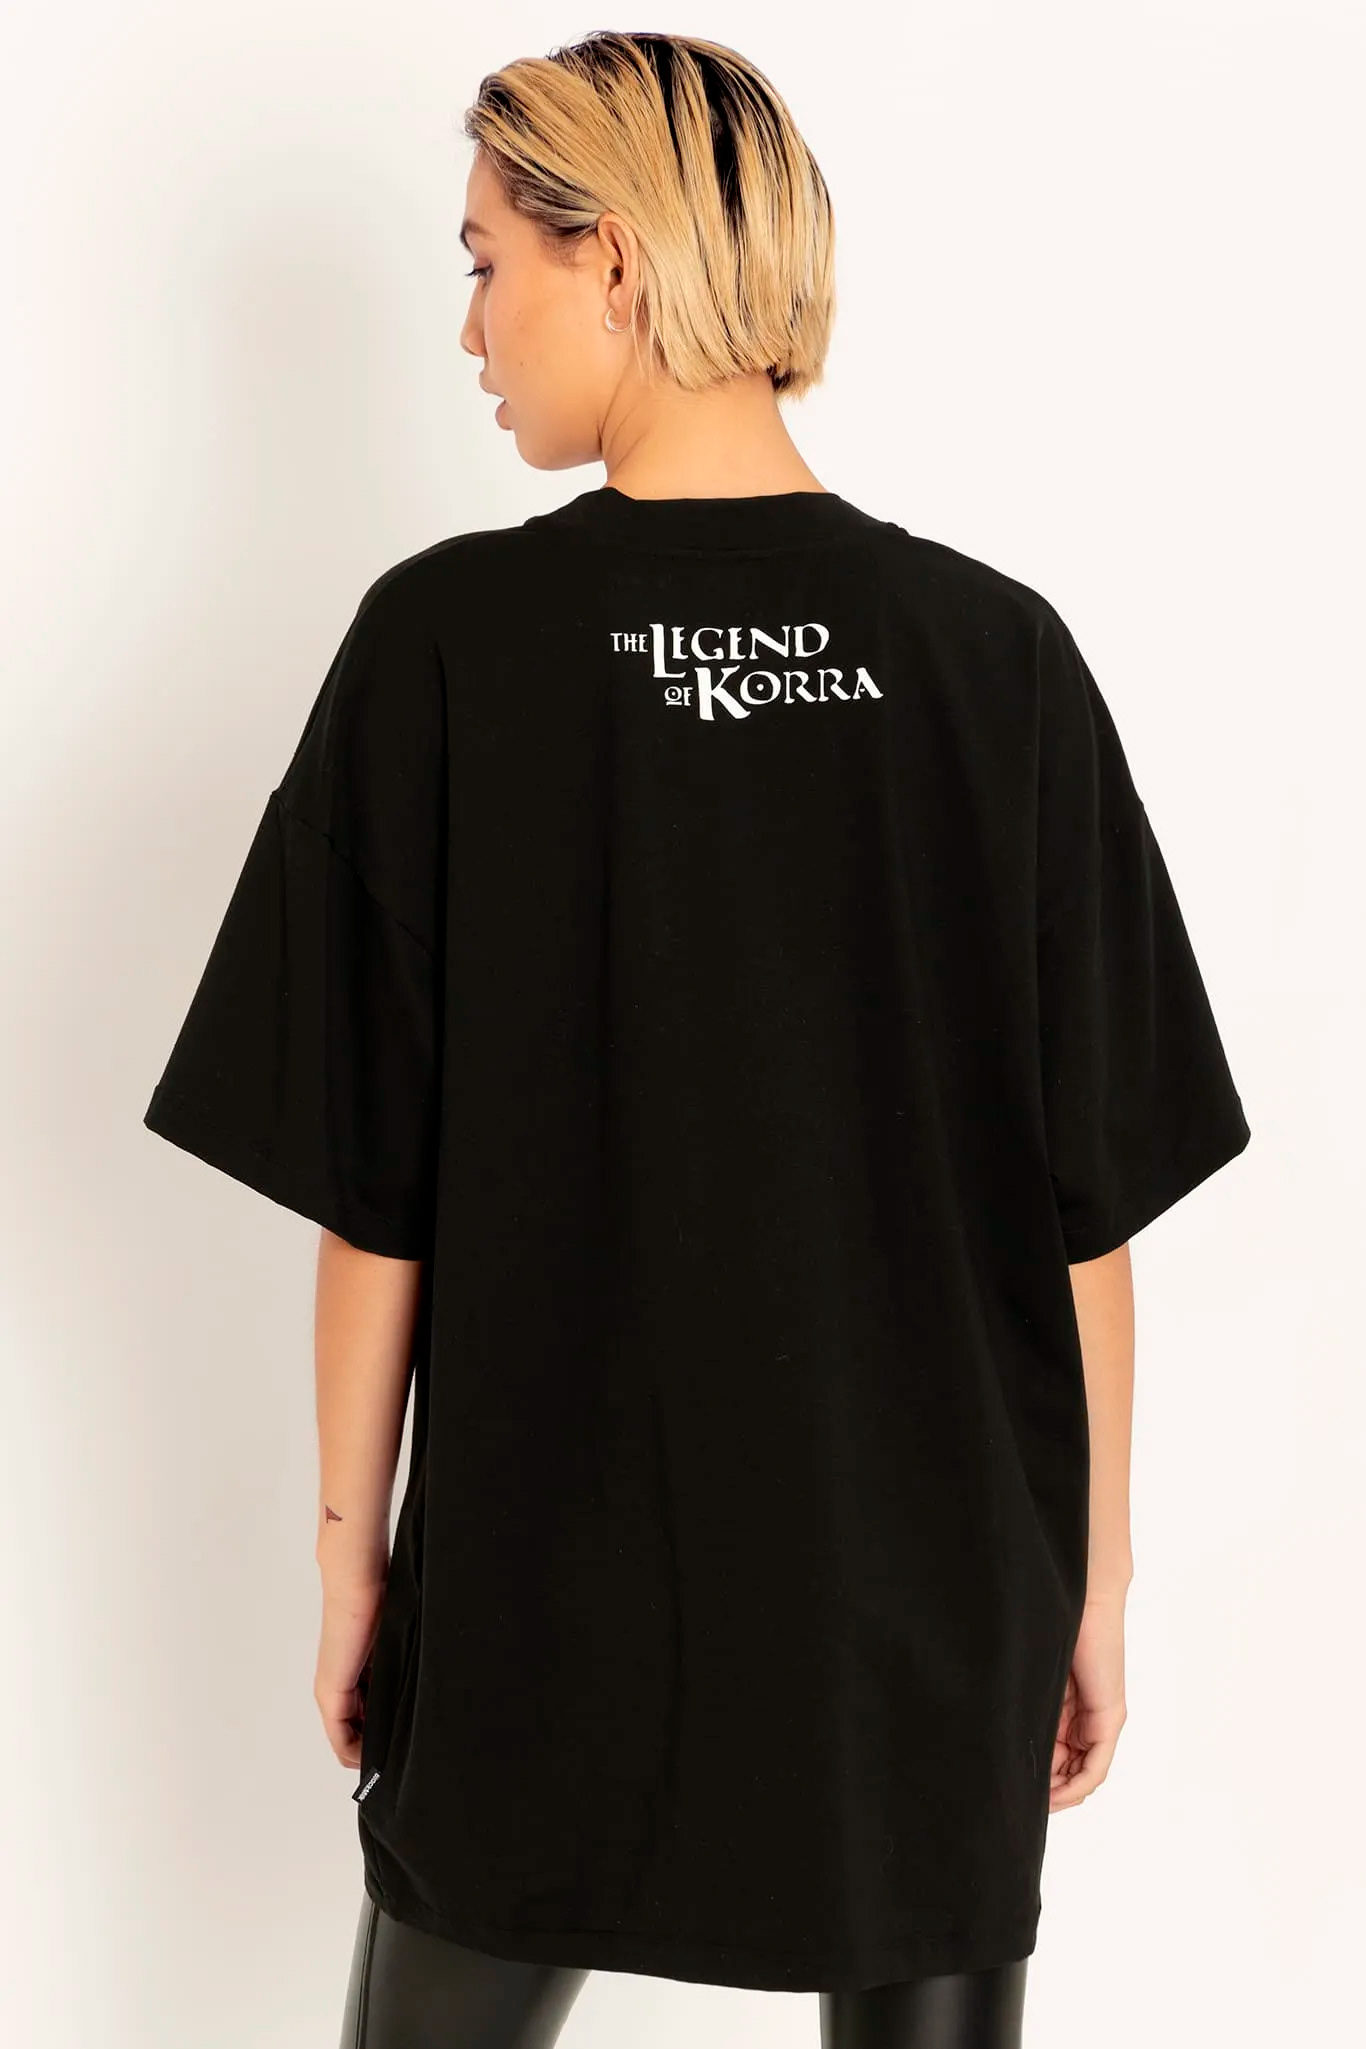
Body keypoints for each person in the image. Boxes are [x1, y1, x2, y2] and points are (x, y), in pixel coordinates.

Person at [141, 31, 1252, 2049]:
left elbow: (375, 1189)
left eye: (485, 262)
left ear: (616, 260)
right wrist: (1086, 1584)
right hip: (934, 1599)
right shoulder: (989, 656)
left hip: (541, 1586)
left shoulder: (448, 643)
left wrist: (351, 1563)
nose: (468, 327)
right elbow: (1081, 1206)